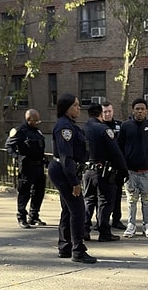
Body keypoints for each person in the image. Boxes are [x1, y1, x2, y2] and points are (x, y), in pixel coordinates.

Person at [48, 93, 96, 264]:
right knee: (78, 210)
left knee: (68, 209)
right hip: (64, 171)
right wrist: (74, 182)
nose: (79, 108)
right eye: (75, 105)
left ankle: (65, 246)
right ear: (66, 108)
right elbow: (66, 158)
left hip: (66, 170)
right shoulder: (65, 128)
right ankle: (78, 250)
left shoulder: (70, 125)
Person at [83, 103, 127, 242]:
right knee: (105, 201)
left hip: (87, 170)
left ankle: (84, 229)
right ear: (100, 114)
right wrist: (124, 170)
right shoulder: (104, 129)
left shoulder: (83, 129)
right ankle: (104, 232)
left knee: (88, 200)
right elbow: (116, 152)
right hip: (103, 172)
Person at [118, 98, 148, 238]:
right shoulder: (126, 126)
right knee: (131, 200)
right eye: (137, 109)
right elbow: (120, 146)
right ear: (133, 110)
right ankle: (131, 225)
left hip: (146, 171)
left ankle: (147, 225)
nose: (140, 111)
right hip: (131, 171)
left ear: (146, 110)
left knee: (147, 200)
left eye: (142, 109)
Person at [5, 108, 47, 228]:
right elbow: (9, 145)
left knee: (39, 192)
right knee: (24, 193)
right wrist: (17, 157)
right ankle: (21, 217)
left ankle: (33, 216)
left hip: (39, 167)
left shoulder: (37, 132)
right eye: (36, 120)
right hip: (27, 167)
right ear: (29, 120)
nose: (38, 122)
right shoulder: (20, 131)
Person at [102, 101, 126, 230]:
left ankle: (116, 219)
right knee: (100, 196)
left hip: (117, 167)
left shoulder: (119, 126)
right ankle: (101, 221)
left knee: (117, 195)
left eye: (109, 111)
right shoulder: (98, 126)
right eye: (105, 112)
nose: (107, 114)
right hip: (102, 167)